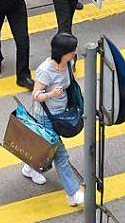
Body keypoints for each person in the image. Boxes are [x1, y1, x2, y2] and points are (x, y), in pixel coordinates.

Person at [29, 32, 84, 204]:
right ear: (62, 52)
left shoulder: (68, 63)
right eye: (72, 51)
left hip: (61, 113)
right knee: (61, 156)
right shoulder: (46, 70)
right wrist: (51, 94)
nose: (75, 53)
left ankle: (30, 167)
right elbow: (35, 95)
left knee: (45, 148)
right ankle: (73, 193)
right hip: (46, 117)